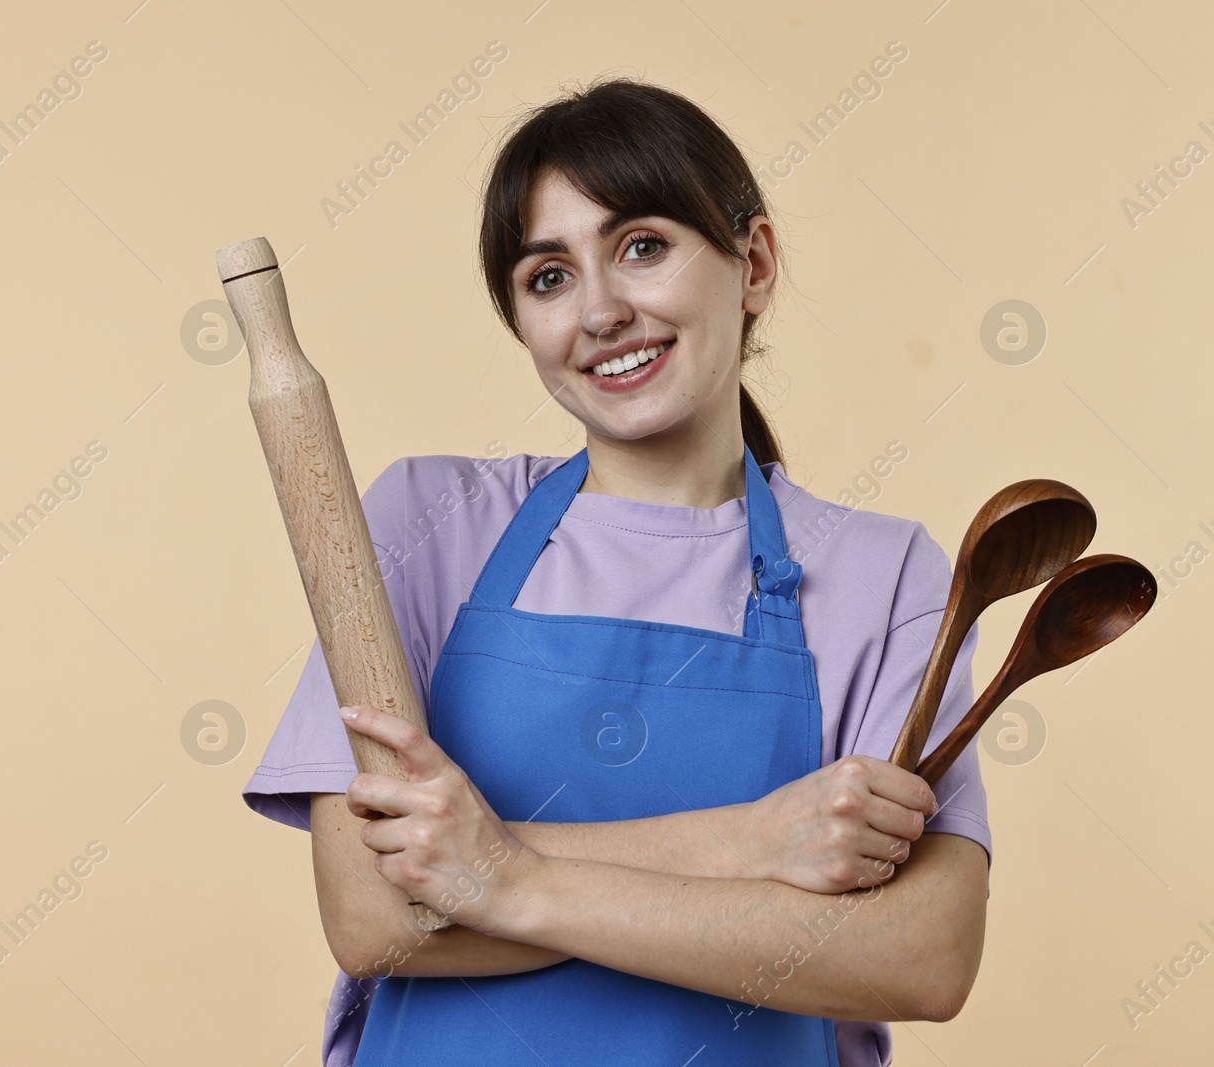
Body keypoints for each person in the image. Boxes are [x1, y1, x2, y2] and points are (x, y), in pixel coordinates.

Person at [241, 76, 991, 1067]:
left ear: (752, 261)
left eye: (641, 246)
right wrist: (750, 845)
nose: (599, 310)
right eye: (547, 276)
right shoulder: (426, 522)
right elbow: (375, 913)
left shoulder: (881, 573)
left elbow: (920, 954)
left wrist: (502, 878)